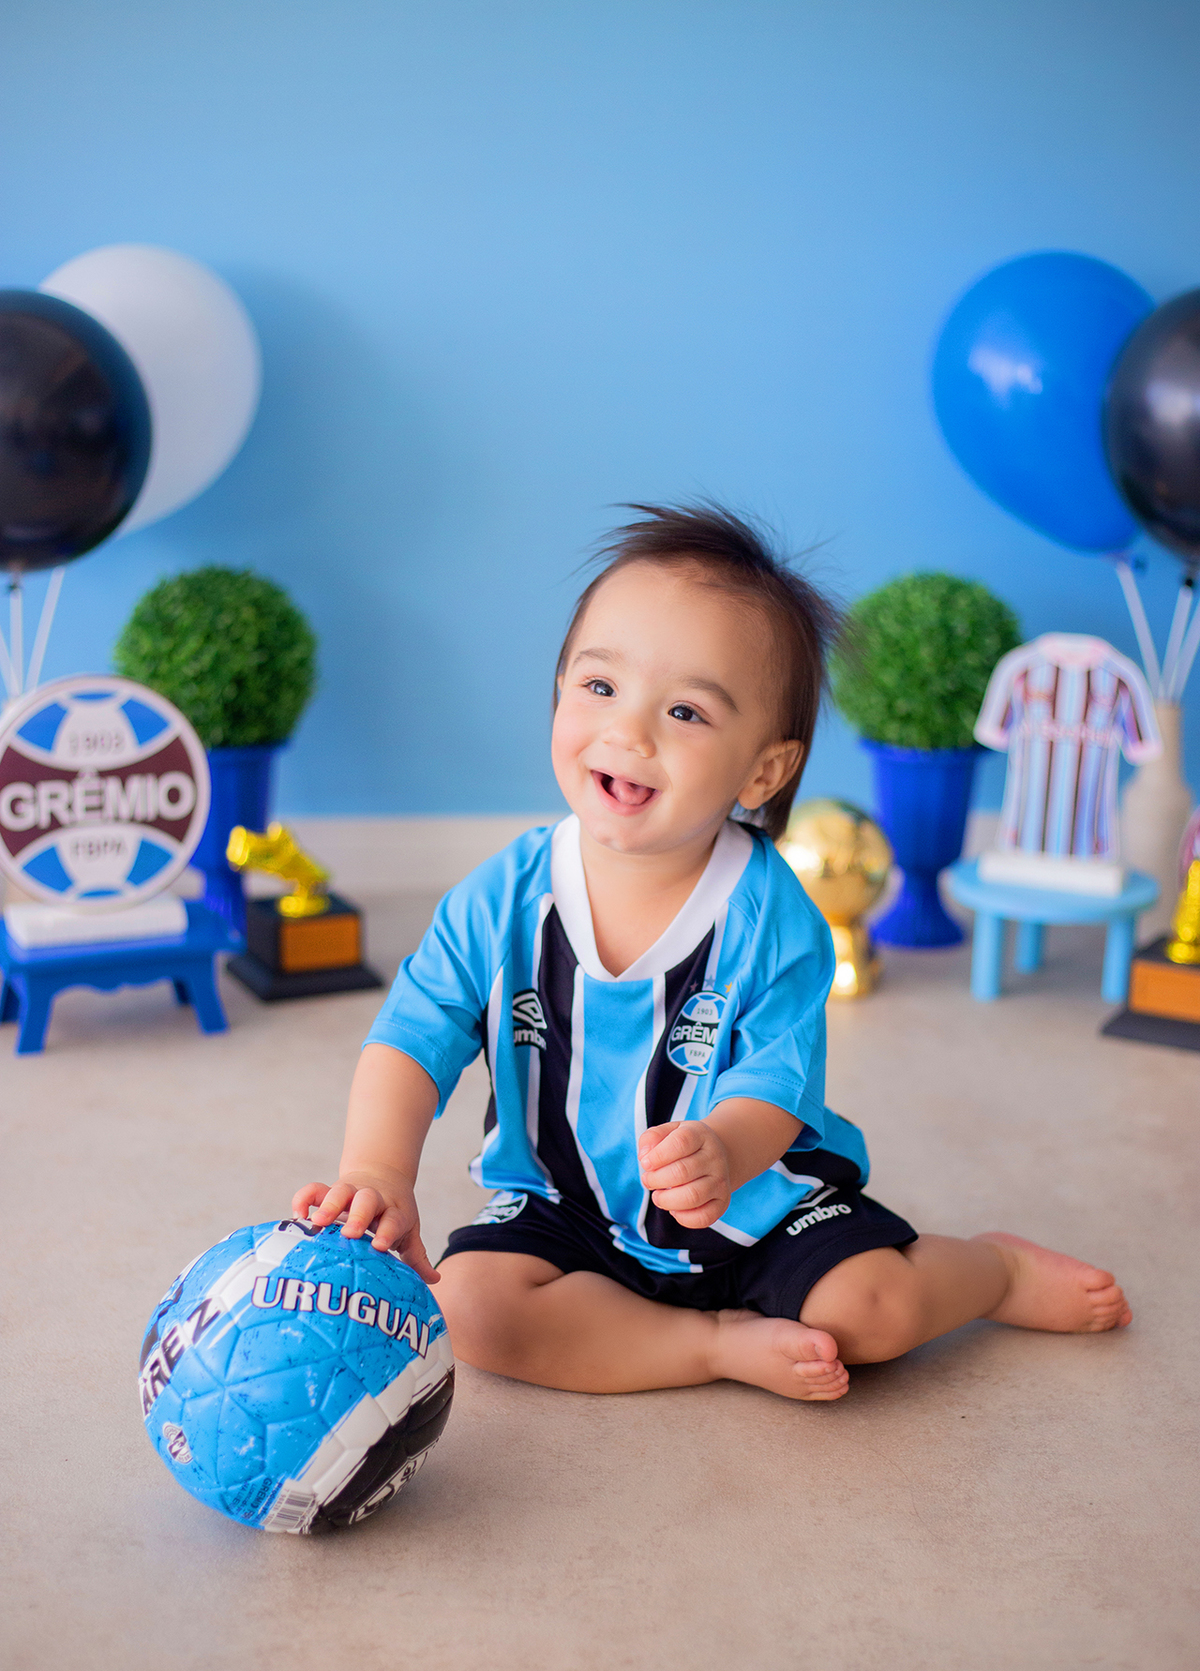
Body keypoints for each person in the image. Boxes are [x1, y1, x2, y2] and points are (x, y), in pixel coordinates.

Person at [293, 504, 1131, 1402]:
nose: (629, 733)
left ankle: (991, 1271)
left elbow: (777, 1083)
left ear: (762, 772)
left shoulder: (773, 917)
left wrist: (724, 1150)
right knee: (474, 1308)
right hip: (565, 1205)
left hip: (750, 1197)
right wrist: (378, 1172)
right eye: (600, 687)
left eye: (686, 710)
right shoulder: (503, 896)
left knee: (875, 1311)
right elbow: (414, 1033)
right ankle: (707, 1344)